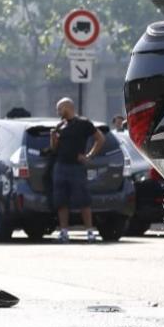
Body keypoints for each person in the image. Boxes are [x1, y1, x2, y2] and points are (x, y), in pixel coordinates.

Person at [50, 97, 104, 243]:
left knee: (83, 200)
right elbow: (54, 149)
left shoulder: (83, 123)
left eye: (59, 109)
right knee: (61, 201)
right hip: (60, 165)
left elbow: (100, 138)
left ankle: (90, 232)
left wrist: (89, 155)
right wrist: (53, 138)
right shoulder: (60, 126)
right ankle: (64, 232)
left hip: (76, 166)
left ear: (68, 107)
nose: (58, 112)